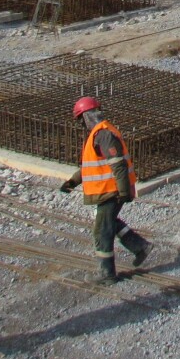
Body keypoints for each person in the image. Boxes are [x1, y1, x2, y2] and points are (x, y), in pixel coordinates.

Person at [61, 96, 150, 282]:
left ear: (87, 115)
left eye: (81, 119)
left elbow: (118, 164)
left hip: (111, 191)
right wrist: (73, 182)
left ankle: (107, 274)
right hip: (108, 190)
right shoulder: (99, 133)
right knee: (109, 223)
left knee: (102, 231)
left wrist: (124, 191)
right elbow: (91, 166)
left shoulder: (104, 134)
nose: (81, 124)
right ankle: (140, 246)